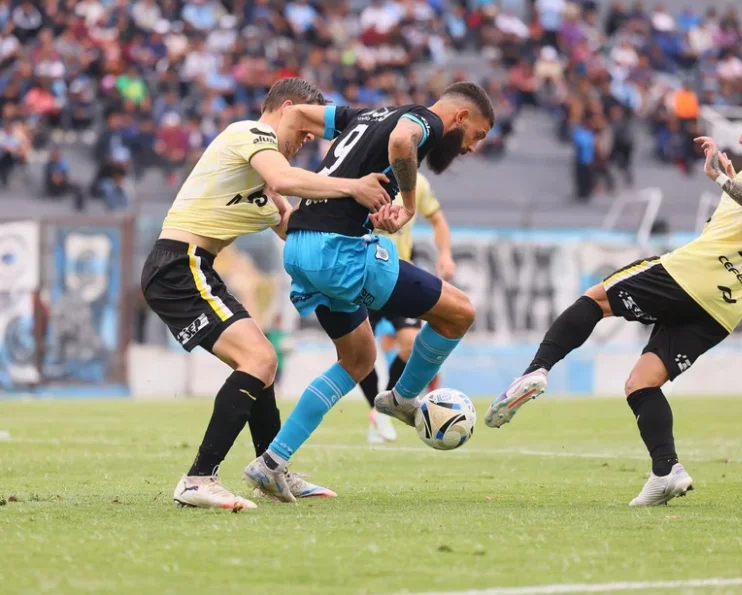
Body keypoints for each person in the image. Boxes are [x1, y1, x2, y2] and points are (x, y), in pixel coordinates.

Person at [485, 92, 742, 507]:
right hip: (727, 305)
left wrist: (722, 179)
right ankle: (666, 471)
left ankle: (536, 370)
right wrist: (736, 184)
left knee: (597, 299)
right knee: (641, 382)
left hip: (695, 274)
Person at [141, 78, 391, 510]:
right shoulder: (249, 133)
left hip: (194, 268)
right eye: (306, 129)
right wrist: (352, 186)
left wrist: (368, 221)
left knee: (262, 362)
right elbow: (285, 178)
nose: (307, 139)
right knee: (258, 359)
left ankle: (271, 473)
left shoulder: (264, 187)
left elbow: (297, 229)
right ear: (287, 108)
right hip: (179, 265)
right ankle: (198, 478)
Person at [243, 82, 494, 502]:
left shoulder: (364, 115)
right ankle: (403, 397)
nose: (471, 147)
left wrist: (275, 171)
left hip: (300, 246)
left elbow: (296, 115)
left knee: (358, 358)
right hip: (338, 253)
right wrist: (408, 204)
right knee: (461, 312)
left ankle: (270, 463)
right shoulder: (428, 121)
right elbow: (401, 141)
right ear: (461, 117)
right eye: (477, 135)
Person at [359, 172, 456, 443]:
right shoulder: (362, 176)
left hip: (397, 274)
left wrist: (445, 254)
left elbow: (437, 219)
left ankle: (384, 409)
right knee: (359, 354)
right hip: (362, 274)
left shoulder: (417, 182)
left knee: (412, 344)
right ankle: (376, 409)